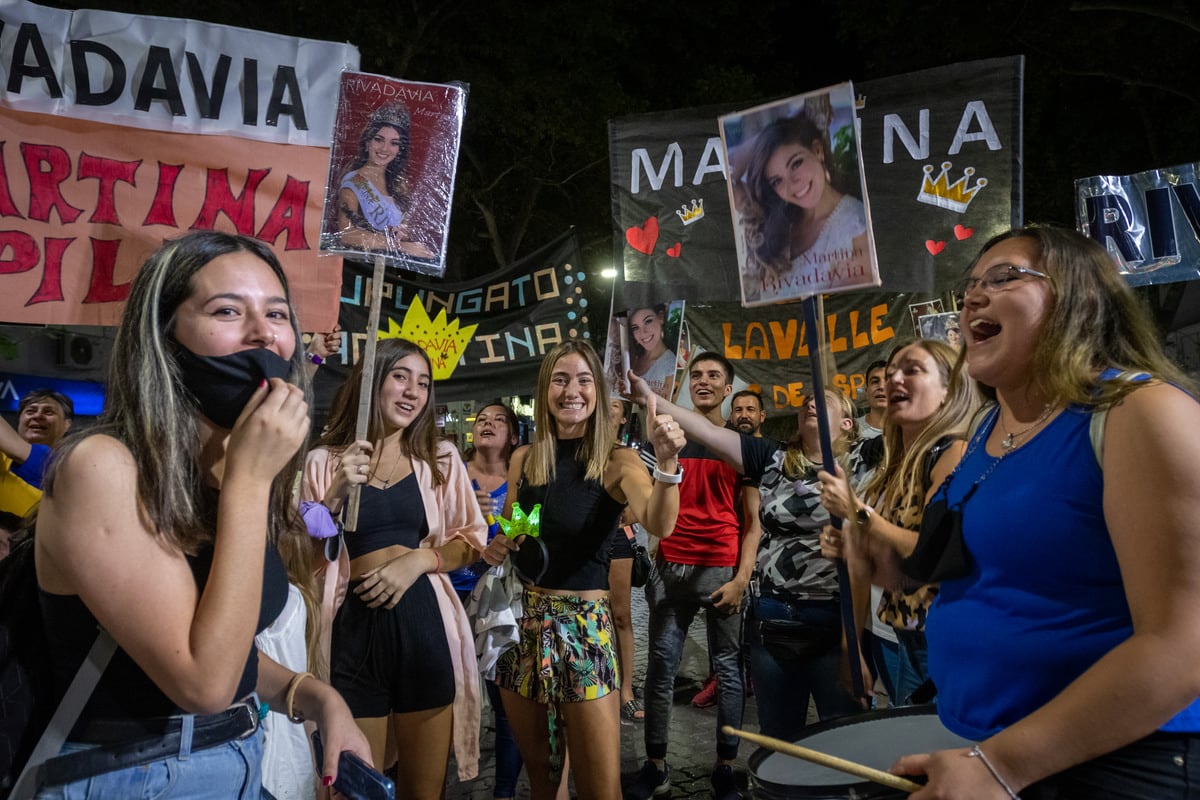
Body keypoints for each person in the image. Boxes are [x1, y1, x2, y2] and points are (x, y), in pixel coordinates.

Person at [31, 230, 370, 798]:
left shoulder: (223, 469)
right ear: (165, 336)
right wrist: (250, 482)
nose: (263, 333)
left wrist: (316, 697)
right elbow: (204, 682)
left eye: (278, 313)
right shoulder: (102, 467)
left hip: (236, 759)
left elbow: (229, 645)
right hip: (132, 774)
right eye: (228, 310)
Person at [887, 226, 1200, 799]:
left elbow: (1183, 645)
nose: (972, 298)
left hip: (1114, 766)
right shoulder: (986, 431)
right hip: (989, 749)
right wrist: (882, 558)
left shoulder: (1143, 413)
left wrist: (1003, 765)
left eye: (1004, 277)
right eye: (969, 286)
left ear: (1080, 298)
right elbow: (974, 574)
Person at [482, 340, 684, 800]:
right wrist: (501, 538)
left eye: (583, 380)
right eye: (560, 379)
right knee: (544, 781)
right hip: (524, 628)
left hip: (584, 631)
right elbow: (520, 524)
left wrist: (668, 462)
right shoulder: (524, 458)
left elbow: (659, 521)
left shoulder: (618, 461)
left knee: (600, 789)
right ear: (544, 389)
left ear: (597, 390)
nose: (571, 391)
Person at [632, 372, 870, 741]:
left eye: (823, 400)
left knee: (842, 737)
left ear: (847, 423)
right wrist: (651, 396)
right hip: (773, 617)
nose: (810, 402)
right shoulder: (772, 456)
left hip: (834, 620)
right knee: (779, 738)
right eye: (807, 399)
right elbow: (706, 431)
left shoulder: (864, 460)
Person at [303, 337, 487, 797]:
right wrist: (334, 495)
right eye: (400, 377)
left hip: (424, 628)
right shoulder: (324, 461)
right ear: (370, 382)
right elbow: (304, 556)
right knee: (355, 787)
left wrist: (419, 560)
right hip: (353, 634)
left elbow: (471, 540)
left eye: (423, 383)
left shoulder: (440, 459)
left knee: (424, 790)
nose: (412, 392)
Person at [819, 339, 979, 707]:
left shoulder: (953, 453)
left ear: (948, 391)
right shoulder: (894, 462)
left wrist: (859, 515)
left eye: (912, 370)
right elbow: (882, 558)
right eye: (891, 372)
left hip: (940, 638)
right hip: (897, 633)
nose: (893, 379)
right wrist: (851, 644)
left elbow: (935, 556)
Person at [625, 352, 755, 800]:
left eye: (713, 376)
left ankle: (725, 765)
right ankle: (656, 764)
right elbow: (645, 501)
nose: (703, 381)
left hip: (721, 569)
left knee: (728, 671)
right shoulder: (667, 436)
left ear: (727, 388)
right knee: (660, 668)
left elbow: (753, 521)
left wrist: (742, 577)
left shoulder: (739, 444)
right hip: (670, 571)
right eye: (696, 375)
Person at [456, 400, 526, 800]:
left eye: (500, 420)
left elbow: (524, 536)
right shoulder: (451, 476)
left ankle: (503, 793)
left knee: (505, 708)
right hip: (449, 598)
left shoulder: (520, 484)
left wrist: (501, 526)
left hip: (497, 606)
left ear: (513, 436)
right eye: (482, 420)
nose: (488, 424)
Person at [736, 113, 870, 297]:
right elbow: (724, 175)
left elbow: (840, 316)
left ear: (817, 151)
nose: (792, 183)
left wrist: (776, 133)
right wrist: (768, 135)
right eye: (777, 181)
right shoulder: (778, 221)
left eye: (796, 164)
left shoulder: (855, 228)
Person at [333, 102, 434, 258]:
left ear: (399, 150)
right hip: (363, 264)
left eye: (394, 143)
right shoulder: (354, 182)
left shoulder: (398, 183)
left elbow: (403, 225)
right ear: (367, 143)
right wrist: (400, 246)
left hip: (391, 266)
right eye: (379, 139)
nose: (385, 148)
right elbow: (346, 235)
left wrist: (404, 231)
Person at [606, 398, 644, 724]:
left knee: (621, 616)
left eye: (614, 404)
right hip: (582, 545)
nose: (607, 407)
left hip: (617, 540)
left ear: (623, 417)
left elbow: (639, 510)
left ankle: (626, 690)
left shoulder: (628, 456)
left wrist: (614, 516)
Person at [626, 306, 677, 400]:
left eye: (648, 321)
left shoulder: (671, 364)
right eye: (635, 328)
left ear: (661, 318)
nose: (643, 332)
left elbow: (667, 406)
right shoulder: (630, 358)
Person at [857, 360, 888, 440]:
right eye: (875, 382)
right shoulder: (851, 431)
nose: (881, 386)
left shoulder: (910, 430)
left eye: (887, 381)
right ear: (866, 390)